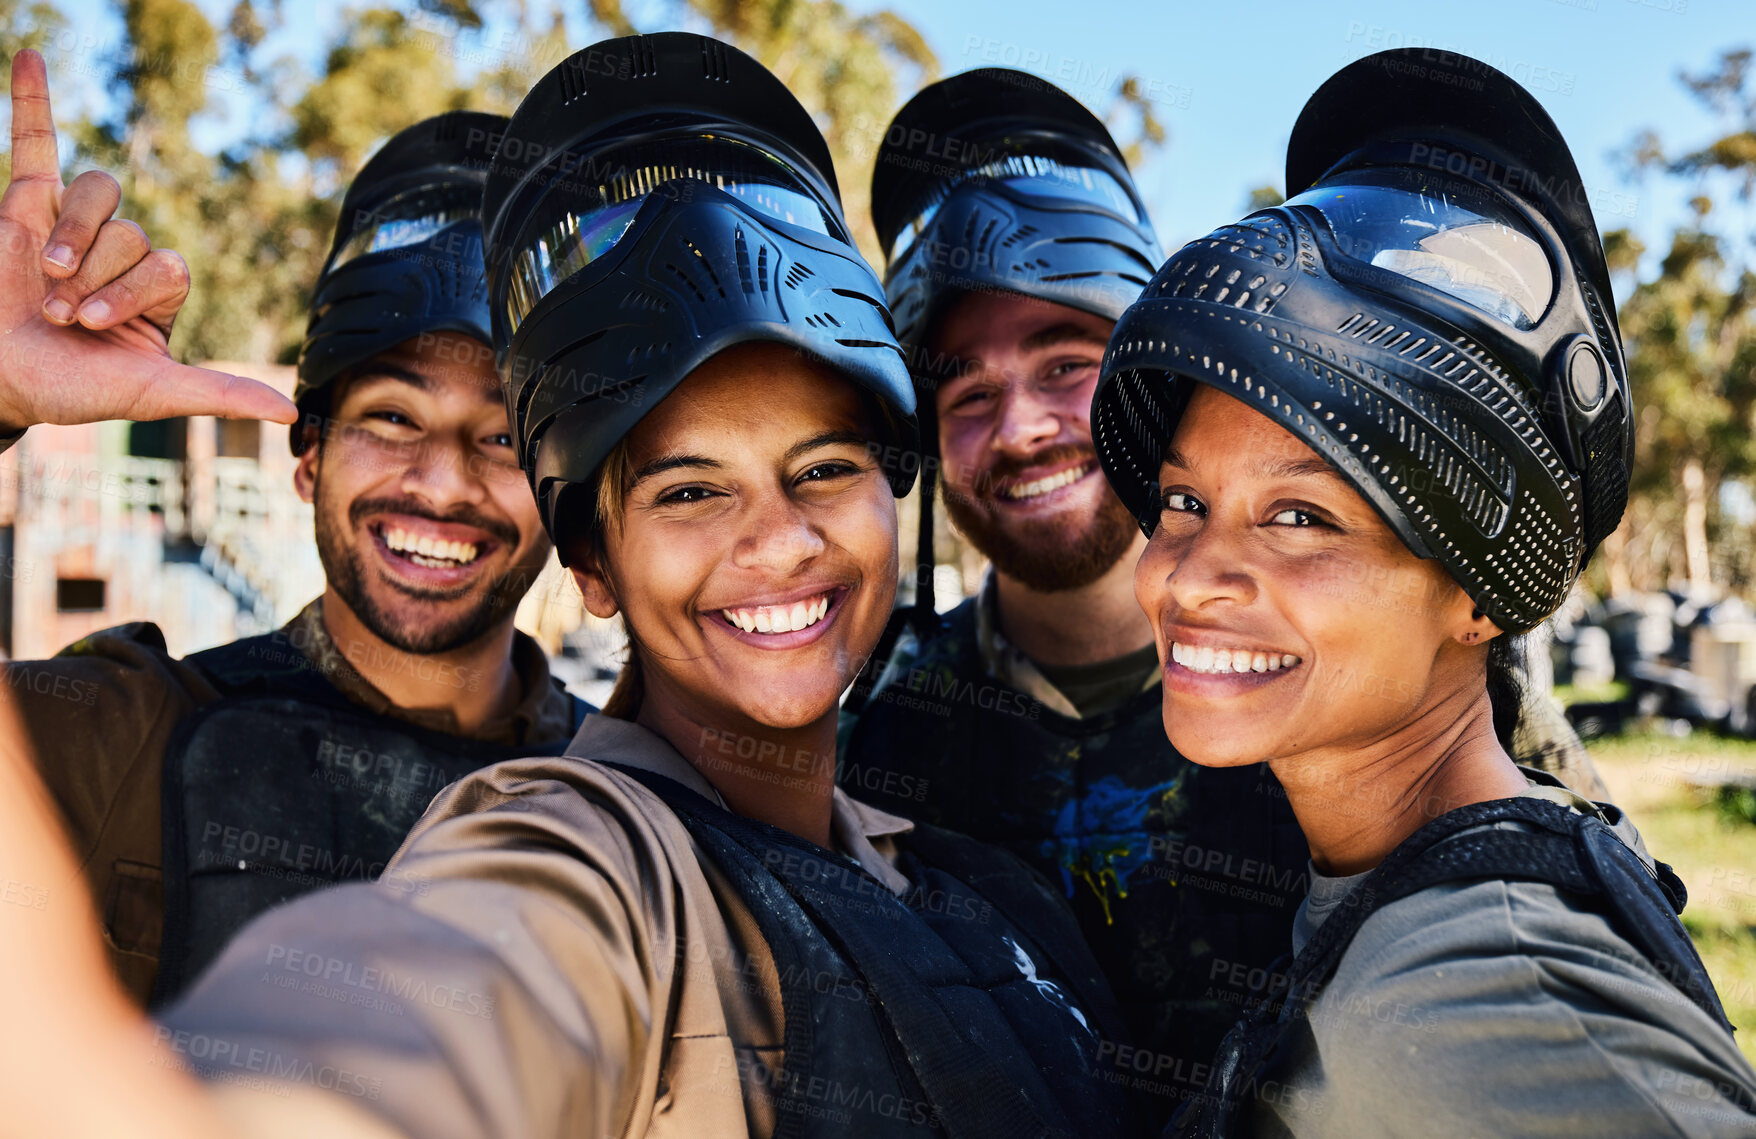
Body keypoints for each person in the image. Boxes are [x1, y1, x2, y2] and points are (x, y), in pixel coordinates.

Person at [0, 34, 1139, 1138]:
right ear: (592, 559)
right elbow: (447, 1000)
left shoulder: (949, 856)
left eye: (824, 470)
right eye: (691, 490)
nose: (780, 540)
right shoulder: (582, 842)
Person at [837, 67, 1610, 1111]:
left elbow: (1567, 979)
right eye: (967, 390)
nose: (1019, 428)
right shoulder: (887, 738)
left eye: (1066, 363)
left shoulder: (1385, 687)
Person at [1088, 48, 1756, 1137]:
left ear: (1479, 596)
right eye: (1180, 501)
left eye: (1301, 517)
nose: (1193, 574)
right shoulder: (1373, 880)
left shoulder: (1488, 988)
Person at [0, 58, 587, 1008]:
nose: (442, 483)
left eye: (503, 438)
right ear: (307, 453)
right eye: (393, 418)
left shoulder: (642, 794)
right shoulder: (122, 733)